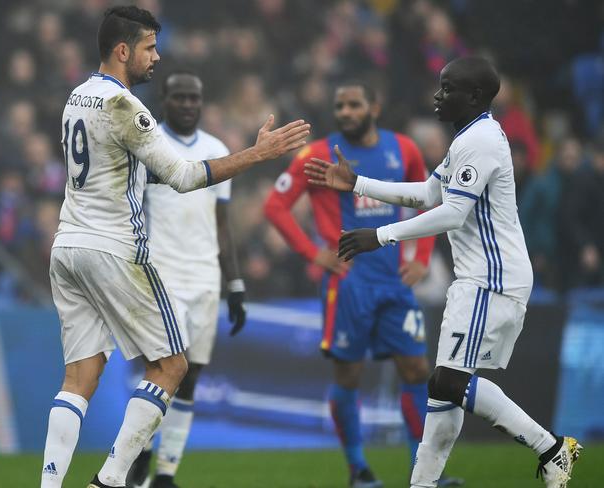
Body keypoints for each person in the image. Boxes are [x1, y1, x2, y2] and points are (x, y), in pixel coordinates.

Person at [40, 6, 309, 488]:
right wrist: (258, 153)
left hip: (68, 246)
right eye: (149, 47)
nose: (156, 57)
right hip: (113, 247)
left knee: (80, 377)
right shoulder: (125, 107)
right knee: (172, 365)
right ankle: (111, 480)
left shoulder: (76, 96)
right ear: (123, 50)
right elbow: (184, 176)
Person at [305, 56, 581, 488]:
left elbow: (452, 213)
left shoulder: (482, 141)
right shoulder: (467, 138)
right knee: (443, 389)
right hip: (480, 277)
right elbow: (430, 192)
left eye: (448, 88)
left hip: (491, 278)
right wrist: (359, 183)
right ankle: (423, 483)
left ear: (473, 96)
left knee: (447, 382)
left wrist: (379, 235)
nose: (437, 95)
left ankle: (550, 448)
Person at [265, 82, 462, 488]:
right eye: (340, 106)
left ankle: (422, 473)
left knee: (416, 368)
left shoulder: (404, 148)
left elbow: (429, 200)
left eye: (354, 105)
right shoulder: (316, 152)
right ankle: (358, 469)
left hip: (394, 281)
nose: (345, 112)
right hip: (348, 285)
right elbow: (275, 205)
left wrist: (421, 257)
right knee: (349, 376)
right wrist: (312, 252)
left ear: (375, 105)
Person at [125, 71, 246, 488]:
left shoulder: (217, 149)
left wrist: (235, 284)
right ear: (165, 99)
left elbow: (223, 225)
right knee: (160, 370)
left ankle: (166, 474)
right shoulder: (146, 145)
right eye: (180, 97)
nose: (188, 105)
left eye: (194, 98)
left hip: (206, 278)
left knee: (191, 376)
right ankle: (139, 451)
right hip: (160, 276)